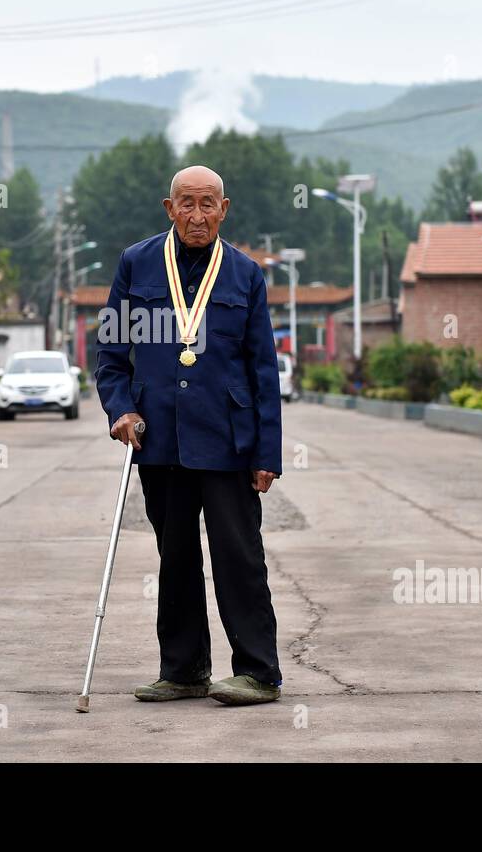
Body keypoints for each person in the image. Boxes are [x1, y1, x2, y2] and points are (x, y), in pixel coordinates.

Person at [95, 165, 284, 707]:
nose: (197, 215)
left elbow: (263, 371)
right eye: (186, 204)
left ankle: (257, 673)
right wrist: (122, 410)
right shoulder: (136, 264)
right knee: (174, 557)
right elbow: (110, 357)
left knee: (238, 557)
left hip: (230, 441)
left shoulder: (246, 274)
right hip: (160, 442)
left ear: (224, 209)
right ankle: (182, 671)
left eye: (208, 205)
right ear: (168, 207)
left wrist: (266, 452)